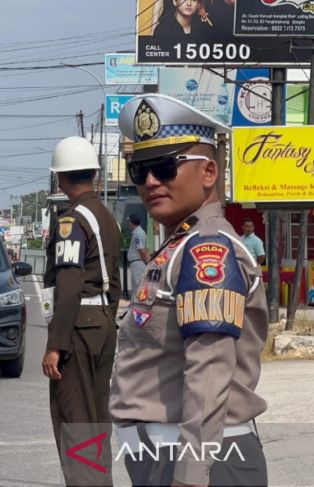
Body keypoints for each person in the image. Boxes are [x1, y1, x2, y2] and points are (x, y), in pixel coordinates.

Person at [112, 93, 268, 486]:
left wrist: (190, 475)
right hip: (164, 457)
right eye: (140, 169)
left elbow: (210, 370)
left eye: (166, 166)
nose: (150, 181)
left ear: (209, 173)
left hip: (199, 463)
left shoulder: (206, 249)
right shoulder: (179, 245)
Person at [42, 136, 121, 486]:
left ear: (60, 178)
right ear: (94, 174)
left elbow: (69, 284)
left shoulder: (71, 221)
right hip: (102, 322)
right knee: (95, 415)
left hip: (78, 328)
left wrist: (55, 344)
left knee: (74, 419)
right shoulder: (107, 217)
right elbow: (114, 281)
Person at [127, 214, 150, 295]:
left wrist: (147, 262)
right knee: (139, 285)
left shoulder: (137, 234)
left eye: (129, 221)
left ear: (132, 222)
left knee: (137, 286)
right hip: (140, 262)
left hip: (137, 263)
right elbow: (147, 249)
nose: (128, 223)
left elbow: (142, 250)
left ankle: (136, 306)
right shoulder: (142, 232)